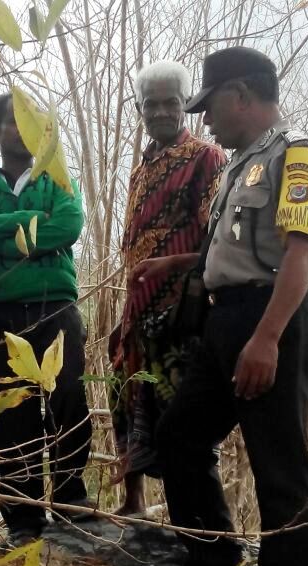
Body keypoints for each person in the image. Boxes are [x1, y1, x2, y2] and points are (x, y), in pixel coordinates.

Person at [146, 47, 308, 566]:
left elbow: (300, 253)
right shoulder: (237, 165)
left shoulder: (293, 155)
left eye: (211, 107)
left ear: (242, 96)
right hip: (225, 322)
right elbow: (227, 251)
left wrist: (268, 339)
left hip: (274, 318)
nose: (205, 122)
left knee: (278, 462)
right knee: (179, 435)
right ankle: (214, 565)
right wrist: (173, 263)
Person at [0, 93, 97, 547]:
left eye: (32, 123)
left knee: (68, 397)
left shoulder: (57, 180)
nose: (24, 131)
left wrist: (1, 234)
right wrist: (30, 223)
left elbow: (68, 227)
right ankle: (21, 516)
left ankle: (72, 499)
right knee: (7, 408)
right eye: (13, 123)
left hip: (54, 304)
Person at [108, 60, 225, 518]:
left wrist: (170, 267)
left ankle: (191, 521)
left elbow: (213, 243)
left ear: (185, 106)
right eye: (150, 104)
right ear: (140, 109)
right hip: (137, 306)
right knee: (127, 393)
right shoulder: (142, 166)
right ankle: (132, 500)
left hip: (181, 309)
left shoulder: (206, 158)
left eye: (170, 103)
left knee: (179, 413)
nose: (160, 112)